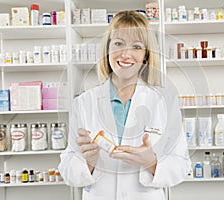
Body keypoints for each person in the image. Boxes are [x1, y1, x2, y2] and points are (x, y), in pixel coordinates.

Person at [58, 10, 192, 200]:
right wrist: (87, 162)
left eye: (137, 46)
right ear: (107, 49)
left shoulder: (165, 102)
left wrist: (152, 162)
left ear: (145, 55)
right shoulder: (84, 103)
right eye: (119, 43)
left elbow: (182, 165)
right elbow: (66, 169)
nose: (126, 54)